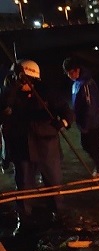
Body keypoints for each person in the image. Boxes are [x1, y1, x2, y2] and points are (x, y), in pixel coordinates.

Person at [0, 59, 73, 228]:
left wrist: (63, 122)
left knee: (53, 181)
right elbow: (3, 108)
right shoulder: (9, 93)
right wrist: (12, 88)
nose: (21, 82)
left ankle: (58, 214)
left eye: (24, 79)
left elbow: (66, 111)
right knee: (24, 183)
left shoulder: (46, 93)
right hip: (22, 145)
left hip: (46, 145)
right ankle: (24, 218)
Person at [62, 57, 99, 176]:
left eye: (71, 73)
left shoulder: (87, 83)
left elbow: (90, 105)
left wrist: (86, 124)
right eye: (67, 74)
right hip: (83, 123)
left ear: (77, 70)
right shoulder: (76, 83)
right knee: (86, 145)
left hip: (92, 123)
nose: (69, 76)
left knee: (94, 145)